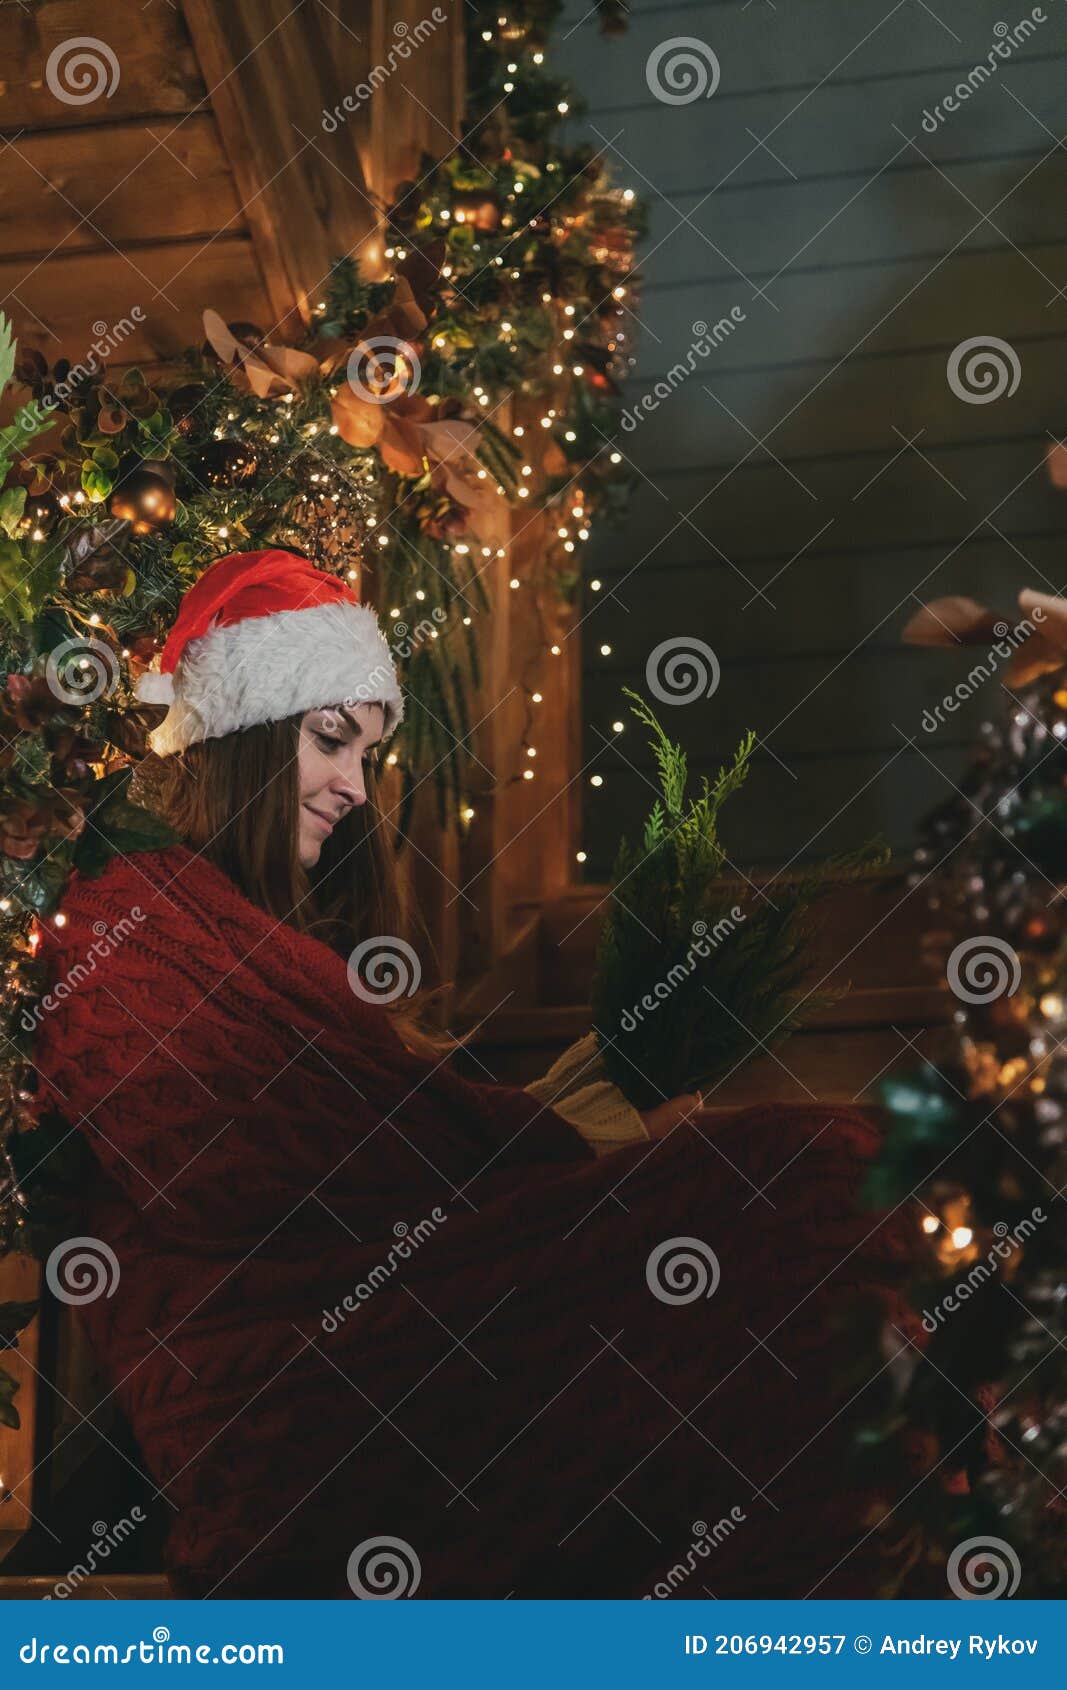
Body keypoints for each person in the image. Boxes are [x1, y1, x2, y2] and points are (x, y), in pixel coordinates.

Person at [32, 549, 915, 1599]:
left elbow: (387, 1140)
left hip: (383, 1303)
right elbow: (291, 1158)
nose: (355, 788)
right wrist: (569, 1145)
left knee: (817, 1187)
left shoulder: (236, 925)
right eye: (330, 742)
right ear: (242, 735)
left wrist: (573, 1136)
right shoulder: (128, 916)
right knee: (806, 1184)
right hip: (283, 1369)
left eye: (368, 754)